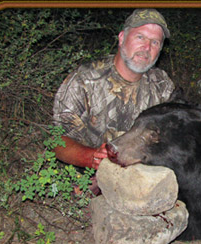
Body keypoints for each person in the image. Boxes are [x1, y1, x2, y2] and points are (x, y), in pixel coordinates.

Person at [52, 9, 175, 172]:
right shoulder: (85, 79)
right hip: (88, 175)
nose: (146, 48)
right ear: (122, 38)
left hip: (142, 176)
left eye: (155, 42)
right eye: (140, 37)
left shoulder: (163, 85)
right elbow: (57, 141)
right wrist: (92, 157)